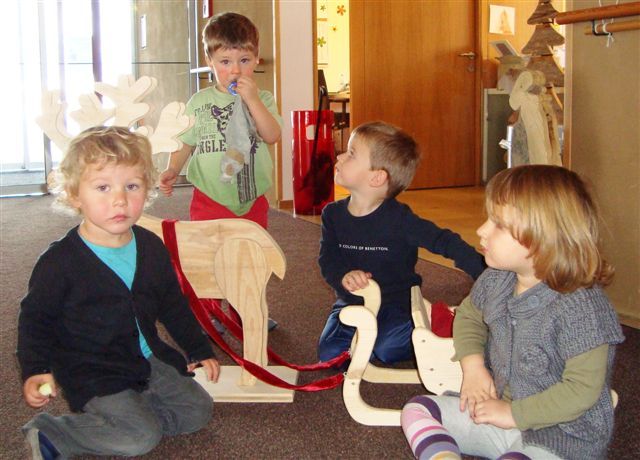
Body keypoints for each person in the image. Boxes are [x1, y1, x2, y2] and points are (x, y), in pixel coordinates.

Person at [18, 126, 220, 459]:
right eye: (102, 187)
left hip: (146, 358)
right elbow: (35, 321)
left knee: (197, 409)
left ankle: (131, 417)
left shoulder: (151, 247)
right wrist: (35, 368)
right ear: (75, 195)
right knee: (138, 439)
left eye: (132, 186)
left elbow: (173, 303)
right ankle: (54, 432)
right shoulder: (60, 262)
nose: (120, 200)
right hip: (94, 368)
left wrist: (197, 348)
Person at [401, 165, 625, 460]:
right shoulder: (497, 278)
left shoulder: (583, 308)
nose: (481, 230)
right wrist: (473, 366)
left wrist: (514, 414)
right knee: (417, 409)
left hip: (562, 435)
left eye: (498, 224)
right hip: (498, 414)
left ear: (543, 240)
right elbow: (469, 316)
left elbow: (581, 391)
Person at [317, 122, 486, 365]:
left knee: (387, 349)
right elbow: (328, 258)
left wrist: (486, 273)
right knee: (330, 355)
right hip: (351, 303)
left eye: (351, 153)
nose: (340, 156)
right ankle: (368, 344)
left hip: (396, 304)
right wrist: (343, 276)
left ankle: (432, 321)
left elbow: (444, 241)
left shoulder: (400, 219)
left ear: (377, 177)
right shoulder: (332, 215)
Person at [158, 11, 281, 331]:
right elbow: (185, 142)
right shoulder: (199, 102)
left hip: (251, 199)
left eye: (244, 60)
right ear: (210, 61)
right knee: (208, 257)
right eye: (225, 61)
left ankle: (248, 310)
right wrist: (172, 168)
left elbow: (272, 135)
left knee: (250, 259)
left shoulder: (263, 99)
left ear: (256, 59)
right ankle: (210, 312)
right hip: (210, 197)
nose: (235, 70)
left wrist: (253, 100)